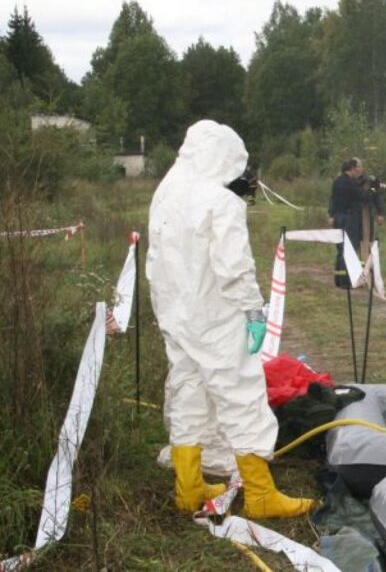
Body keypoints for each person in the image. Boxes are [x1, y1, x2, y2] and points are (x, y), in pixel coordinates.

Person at [148, 120, 315, 518]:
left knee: (188, 392)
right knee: (241, 395)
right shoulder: (220, 202)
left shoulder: (165, 194)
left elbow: (157, 259)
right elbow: (234, 268)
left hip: (175, 314)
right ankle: (260, 494)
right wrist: (254, 311)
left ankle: (188, 488)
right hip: (215, 314)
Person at [327, 157, 384, 287]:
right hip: (348, 218)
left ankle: (339, 279)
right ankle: (346, 281)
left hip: (338, 217)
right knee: (349, 248)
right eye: (357, 168)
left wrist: (331, 214)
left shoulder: (337, 182)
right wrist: (374, 188)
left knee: (341, 248)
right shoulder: (350, 183)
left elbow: (333, 200)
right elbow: (364, 197)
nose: (358, 171)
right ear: (352, 169)